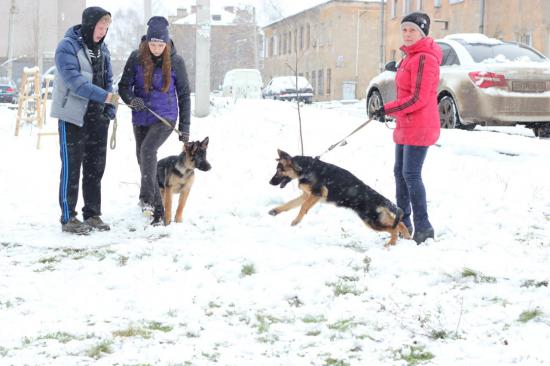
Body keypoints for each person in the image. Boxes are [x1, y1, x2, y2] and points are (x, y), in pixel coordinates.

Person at [371, 12, 442, 244]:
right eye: (405, 30)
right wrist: (390, 111)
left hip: (419, 125)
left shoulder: (424, 58)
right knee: (400, 174)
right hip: (406, 124)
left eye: (413, 30)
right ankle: (404, 223)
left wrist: (387, 109)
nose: (408, 34)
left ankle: (424, 227)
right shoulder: (409, 57)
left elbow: (419, 98)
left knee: (411, 175)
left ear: (422, 32)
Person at [118, 16, 191, 225]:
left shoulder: (176, 61)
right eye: (153, 43)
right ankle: (146, 198)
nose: (157, 48)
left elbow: (184, 94)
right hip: (141, 115)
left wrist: (185, 127)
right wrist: (132, 100)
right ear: (147, 42)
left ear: (167, 43)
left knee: (148, 151)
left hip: (165, 117)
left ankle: (159, 210)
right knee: (143, 159)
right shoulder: (136, 57)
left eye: (161, 44)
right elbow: (123, 86)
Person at [51, 6, 117, 235]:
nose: (102, 32)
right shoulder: (67, 47)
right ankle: (68, 217)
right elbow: (74, 82)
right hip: (73, 117)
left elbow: (108, 80)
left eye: (106, 28)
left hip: (97, 117)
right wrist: (105, 96)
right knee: (72, 168)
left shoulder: (103, 50)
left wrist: (109, 108)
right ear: (90, 25)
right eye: (100, 27)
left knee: (95, 168)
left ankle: (92, 214)